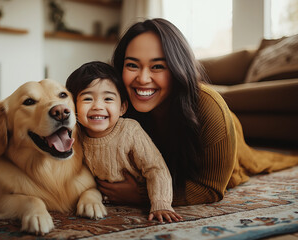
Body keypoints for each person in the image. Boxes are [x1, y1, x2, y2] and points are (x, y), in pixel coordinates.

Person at [95, 18, 298, 206]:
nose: (143, 78)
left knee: (260, 162)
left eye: (157, 66)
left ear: (177, 68)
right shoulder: (117, 103)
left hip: (230, 134)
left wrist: (143, 194)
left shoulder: (209, 108)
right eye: (132, 65)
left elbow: (210, 188)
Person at [65, 61, 182, 223]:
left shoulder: (130, 131)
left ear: (122, 108)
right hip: (102, 200)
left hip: (141, 195)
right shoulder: (76, 134)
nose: (98, 106)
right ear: (74, 107)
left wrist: (160, 203)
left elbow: (156, 169)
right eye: (87, 99)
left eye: (108, 98)